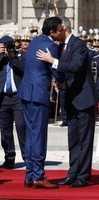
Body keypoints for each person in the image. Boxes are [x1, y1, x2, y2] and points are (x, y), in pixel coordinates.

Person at [36, 16, 96, 188]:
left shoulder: (78, 45)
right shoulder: (61, 46)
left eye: (54, 32)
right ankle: (72, 174)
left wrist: (52, 61)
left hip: (83, 99)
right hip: (70, 99)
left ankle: (83, 176)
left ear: (63, 28)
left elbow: (75, 66)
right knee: (73, 140)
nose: (53, 37)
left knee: (85, 140)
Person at [18, 16, 64, 189]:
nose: (61, 32)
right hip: (37, 94)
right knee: (38, 135)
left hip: (26, 92)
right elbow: (57, 71)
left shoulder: (36, 41)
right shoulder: (51, 45)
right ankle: (38, 175)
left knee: (31, 134)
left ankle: (30, 174)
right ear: (52, 31)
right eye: (59, 30)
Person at [0, 36, 26, 169]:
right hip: (2, 98)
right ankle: (9, 159)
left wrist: (13, 57)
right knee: (5, 131)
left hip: (18, 97)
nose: (7, 49)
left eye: (9, 46)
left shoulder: (20, 57)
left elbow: (24, 70)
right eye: (5, 46)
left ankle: (28, 158)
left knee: (21, 127)